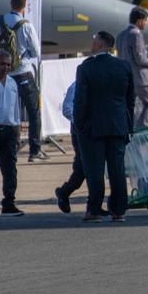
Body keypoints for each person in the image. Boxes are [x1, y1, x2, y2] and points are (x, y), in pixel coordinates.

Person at [74, 31, 135, 222]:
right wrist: (128, 125)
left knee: (95, 170)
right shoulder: (124, 66)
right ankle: (118, 209)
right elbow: (130, 99)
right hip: (118, 125)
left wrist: (79, 124)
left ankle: (94, 208)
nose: (92, 44)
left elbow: (80, 100)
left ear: (100, 44)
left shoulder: (86, 68)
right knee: (117, 169)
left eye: (94, 41)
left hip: (93, 127)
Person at [0, 0, 43, 161]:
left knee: (1, 111)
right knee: (33, 113)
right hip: (22, 73)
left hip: (2, 75)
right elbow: (36, 51)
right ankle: (34, 151)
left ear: (10, 3)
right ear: (24, 5)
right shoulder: (26, 25)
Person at [0, 51, 22, 216]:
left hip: (8, 131)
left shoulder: (12, 83)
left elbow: (15, 109)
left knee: (10, 169)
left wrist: (17, 131)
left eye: (8, 64)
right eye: (2, 64)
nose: (6, 67)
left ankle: (9, 203)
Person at [54, 80, 92, 215]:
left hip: (95, 131)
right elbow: (67, 108)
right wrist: (81, 121)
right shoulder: (76, 86)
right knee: (82, 168)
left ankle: (92, 203)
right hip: (80, 132)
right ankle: (65, 192)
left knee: (92, 168)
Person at [116, 7, 148, 129]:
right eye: (145, 20)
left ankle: (130, 129)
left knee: (130, 106)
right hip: (140, 79)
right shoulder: (136, 34)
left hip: (126, 78)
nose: (146, 23)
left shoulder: (121, 35)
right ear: (140, 20)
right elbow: (141, 60)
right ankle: (142, 128)